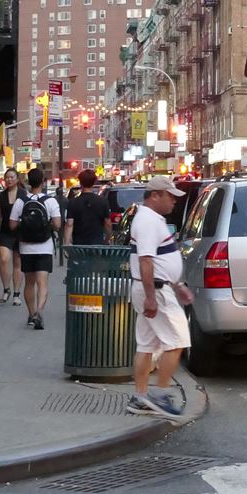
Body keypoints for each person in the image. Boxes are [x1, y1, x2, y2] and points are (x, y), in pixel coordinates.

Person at [126, 175, 190, 418]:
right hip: (155, 290)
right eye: (170, 196)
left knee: (146, 345)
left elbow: (158, 260)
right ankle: (160, 395)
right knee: (178, 340)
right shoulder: (148, 221)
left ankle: (141, 396)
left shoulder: (149, 219)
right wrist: (152, 296)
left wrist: (177, 284)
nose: (174, 201)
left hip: (154, 288)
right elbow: (146, 261)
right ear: (155, 195)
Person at [8, 169, 62, 329]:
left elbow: (12, 225)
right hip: (45, 246)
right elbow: (58, 225)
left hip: (26, 247)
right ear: (43, 182)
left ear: (28, 182)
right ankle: (39, 311)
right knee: (42, 282)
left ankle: (31, 314)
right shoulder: (50, 201)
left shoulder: (21, 201)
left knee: (29, 283)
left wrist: (25, 223)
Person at [0, 173, 30, 306]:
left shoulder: (24, 194)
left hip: (20, 232)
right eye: (7, 177)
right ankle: (6, 289)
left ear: (17, 179)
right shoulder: (1, 196)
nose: (9, 180)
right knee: (4, 259)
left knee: (18, 263)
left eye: (12, 177)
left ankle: (16, 294)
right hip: (5, 232)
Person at [63, 169, 113, 248]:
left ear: (80, 182)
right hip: (97, 244)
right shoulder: (103, 201)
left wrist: (67, 243)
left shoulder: (73, 202)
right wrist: (108, 238)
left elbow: (69, 224)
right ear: (94, 183)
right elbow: (108, 223)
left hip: (79, 245)